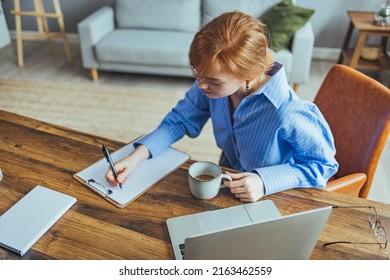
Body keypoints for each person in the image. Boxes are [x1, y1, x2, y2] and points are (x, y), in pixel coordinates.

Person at [105, 11, 338, 202]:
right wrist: (137, 156)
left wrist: (265, 181)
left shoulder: (287, 110)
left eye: (213, 81)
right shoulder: (209, 86)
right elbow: (179, 120)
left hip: (272, 191)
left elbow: (323, 165)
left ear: (250, 74)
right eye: (199, 74)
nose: (201, 85)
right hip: (229, 171)